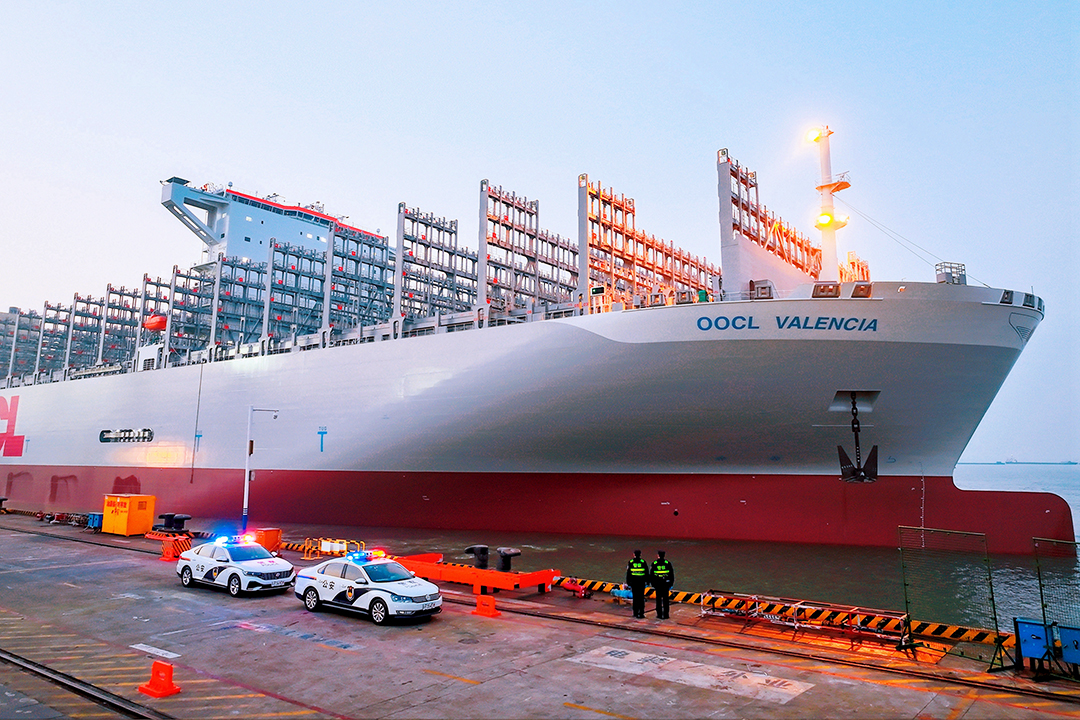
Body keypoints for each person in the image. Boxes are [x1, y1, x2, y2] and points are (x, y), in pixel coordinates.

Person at [650, 550, 675, 619]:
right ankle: (666, 615)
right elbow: (671, 574)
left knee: (658, 600)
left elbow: (652, 575)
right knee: (666, 600)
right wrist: (671, 583)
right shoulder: (668, 563)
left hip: (658, 585)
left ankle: (659, 614)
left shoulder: (654, 563)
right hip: (665, 584)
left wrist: (653, 584)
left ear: (658, 555)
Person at [625, 549, 649, 618]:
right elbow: (646, 572)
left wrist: (628, 582)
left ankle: (635, 613)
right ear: (640, 554)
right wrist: (647, 581)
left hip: (634, 583)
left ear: (634, 554)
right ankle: (641, 613)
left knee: (635, 598)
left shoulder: (631, 562)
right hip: (641, 583)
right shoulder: (643, 562)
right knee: (641, 598)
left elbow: (628, 573)